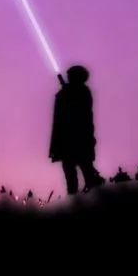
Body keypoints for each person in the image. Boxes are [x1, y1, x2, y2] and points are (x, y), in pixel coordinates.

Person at [50, 65, 107, 195]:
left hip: (80, 137)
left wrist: (67, 93)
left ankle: (92, 195)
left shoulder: (83, 92)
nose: (68, 77)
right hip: (67, 138)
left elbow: (81, 111)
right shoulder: (67, 92)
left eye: (71, 75)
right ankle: (74, 197)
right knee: (70, 171)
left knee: (85, 168)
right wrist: (65, 92)